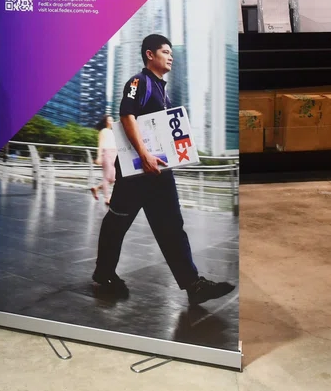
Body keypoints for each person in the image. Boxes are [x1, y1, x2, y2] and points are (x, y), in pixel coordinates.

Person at [92, 34, 236, 306]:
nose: (171, 56)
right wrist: (144, 154)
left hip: (158, 173)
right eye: (166, 51)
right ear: (150, 54)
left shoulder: (163, 91)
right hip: (136, 173)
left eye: (171, 52)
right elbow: (126, 114)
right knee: (117, 222)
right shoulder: (139, 82)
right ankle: (104, 272)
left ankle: (193, 285)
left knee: (172, 227)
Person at [90, 115, 116, 205]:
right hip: (106, 153)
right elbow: (100, 145)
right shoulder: (103, 131)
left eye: (112, 120)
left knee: (113, 178)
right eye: (109, 120)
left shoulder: (113, 131)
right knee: (106, 177)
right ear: (105, 122)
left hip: (114, 153)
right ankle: (107, 198)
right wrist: (99, 156)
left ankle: (96, 188)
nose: (111, 122)